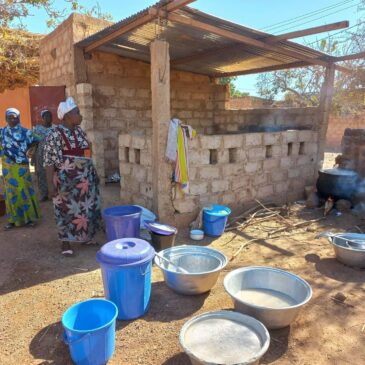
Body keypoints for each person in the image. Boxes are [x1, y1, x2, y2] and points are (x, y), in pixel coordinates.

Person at [43, 97, 101, 256]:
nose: (80, 115)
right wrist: (50, 186)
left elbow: (87, 153)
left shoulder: (80, 131)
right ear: (67, 115)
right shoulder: (55, 134)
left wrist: (93, 171)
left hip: (85, 180)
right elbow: (49, 161)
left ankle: (86, 237)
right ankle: (65, 243)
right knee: (65, 210)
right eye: (77, 112)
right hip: (65, 182)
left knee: (85, 209)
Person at [0, 108, 41, 230]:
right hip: (8, 169)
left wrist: (28, 149)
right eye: (10, 117)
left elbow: (38, 139)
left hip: (22, 167)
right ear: (6, 118)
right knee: (10, 193)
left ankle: (28, 219)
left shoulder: (25, 132)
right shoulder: (1, 132)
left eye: (15, 117)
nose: (13, 119)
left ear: (19, 117)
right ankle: (13, 220)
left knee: (25, 191)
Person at [32, 109, 53, 201]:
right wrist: (33, 156)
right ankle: (43, 194)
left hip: (52, 155)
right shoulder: (37, 129)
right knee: (41, 174)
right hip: (40, 155)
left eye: (50, 116)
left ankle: (52, 193)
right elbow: (34, 144)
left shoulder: (55, 128)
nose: (49, 118)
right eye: (46, 116)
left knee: (52, 173)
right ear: (42, 118)